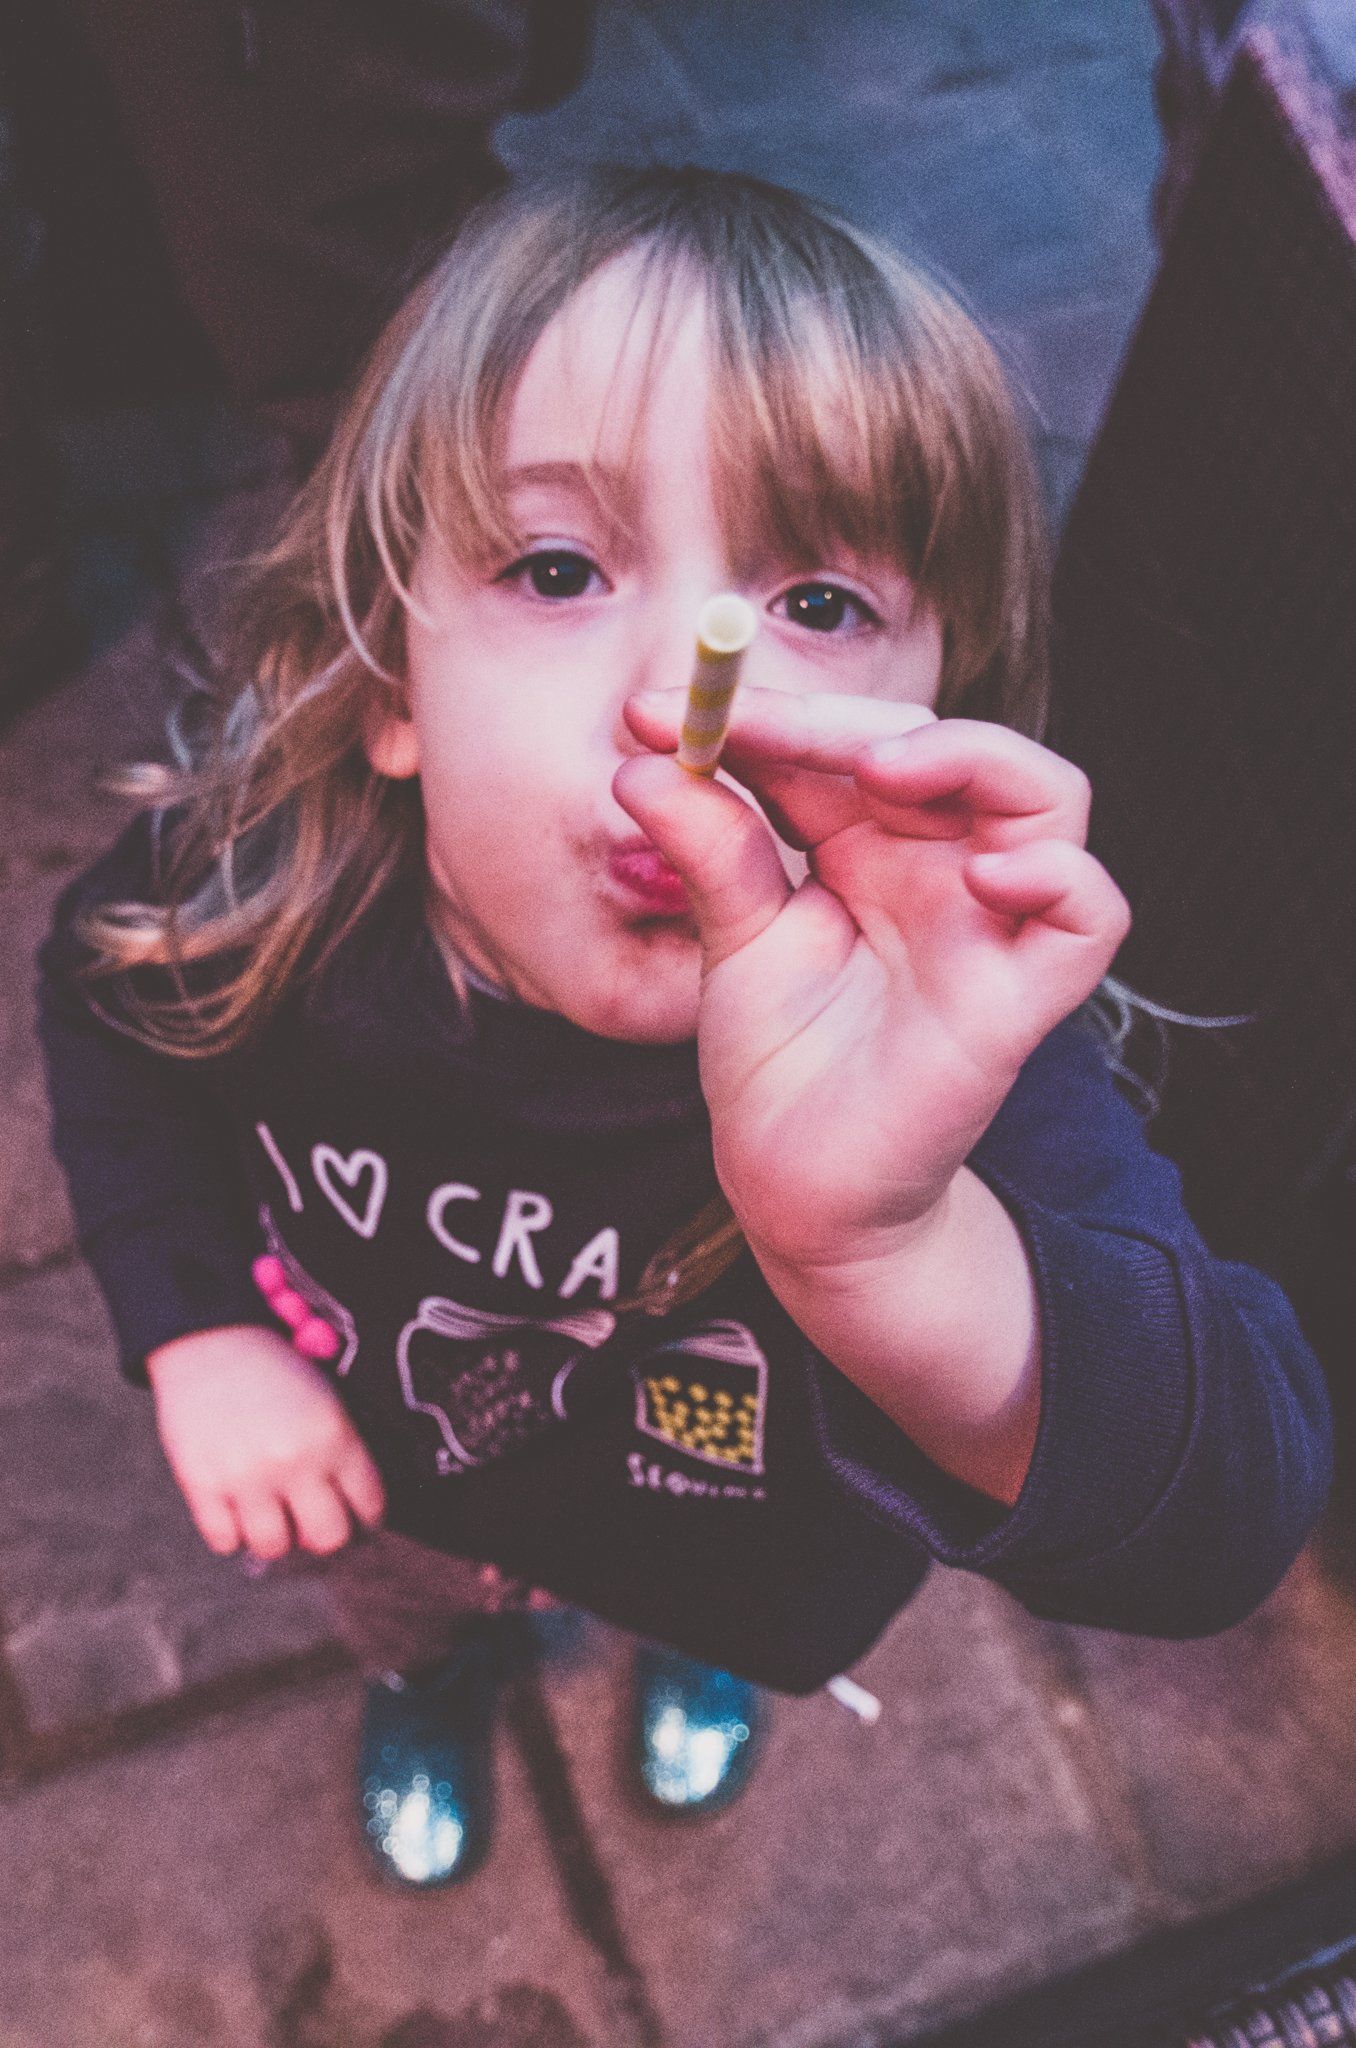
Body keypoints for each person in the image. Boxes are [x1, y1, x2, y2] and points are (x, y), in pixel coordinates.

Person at [36, 166, 1332, 1889]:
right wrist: (199, 1329)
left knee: (703, 1608)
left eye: (822, 607)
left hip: (725, 1546)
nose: (687, 714)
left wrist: (898, 1251)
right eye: (557, 567)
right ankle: (435, 1682)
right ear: (389, 681)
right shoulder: (267, 899)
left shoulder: (942, 1080)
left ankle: (692, 1656)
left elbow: (1225, 1524)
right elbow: (110, 1017)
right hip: (389, 1487)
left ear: (939, 718)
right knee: (406, 1620)